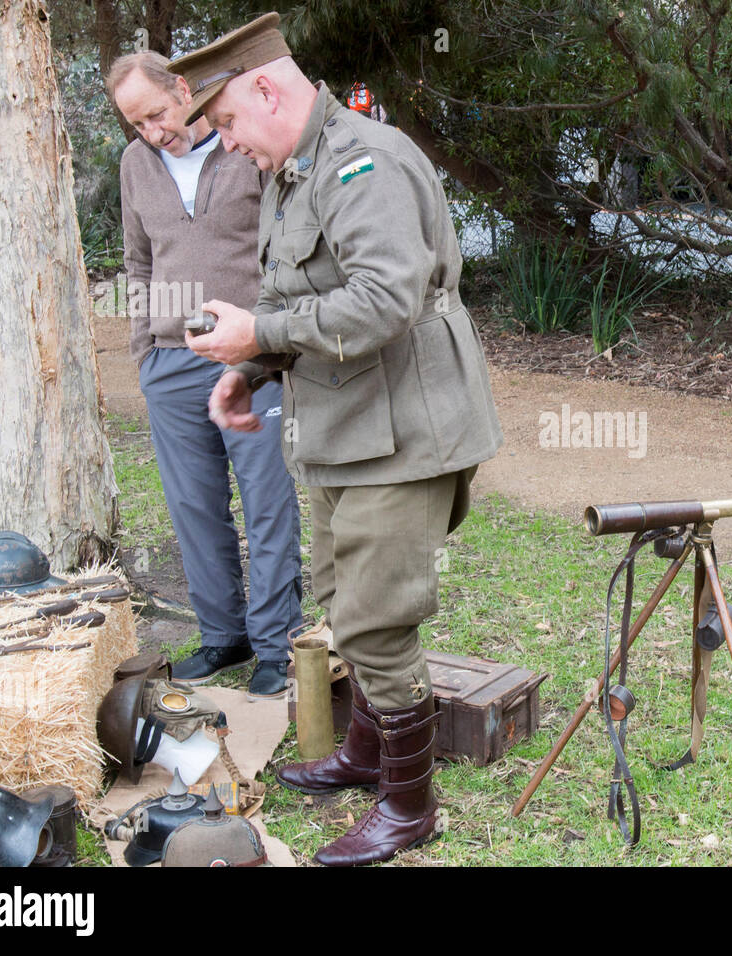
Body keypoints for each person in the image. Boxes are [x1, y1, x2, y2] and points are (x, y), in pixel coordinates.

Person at [167, 13, 504, 865]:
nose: (227, 144)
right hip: (345, 425)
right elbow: (310, 297)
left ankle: (409, 805)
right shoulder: (294, 167)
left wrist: (259, 330)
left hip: (403, 432)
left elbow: (386, 301)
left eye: (230, 123)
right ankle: (366, 751)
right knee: (340, 596)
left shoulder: (366, 162)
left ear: (268, 89)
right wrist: (257, 363)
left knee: (378, 621)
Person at [109, 51, 303, 699]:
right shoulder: (135, 166)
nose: (154, 131)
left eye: (158, 114)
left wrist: (269, 338)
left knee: (266, 502)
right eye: (137, 124)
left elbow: (284, 247)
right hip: (170, 361)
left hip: (251, 357)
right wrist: (146, 352)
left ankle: (277, 643)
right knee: (194, 507)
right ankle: (224, 636)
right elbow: (138, 263)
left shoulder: (239, 144)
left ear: (183, 90)